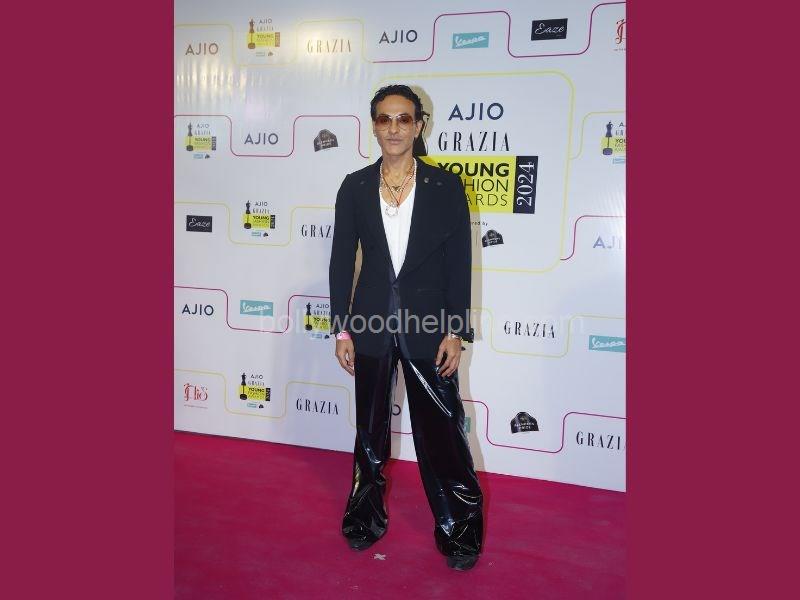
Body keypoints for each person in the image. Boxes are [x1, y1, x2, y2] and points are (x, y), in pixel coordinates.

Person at [328, 84, 484, 571]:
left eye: (403, 119)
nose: (393, 128)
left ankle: (459, 531)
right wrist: (342, 329)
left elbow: (459, 263)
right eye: (384, 119)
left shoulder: (445, 187)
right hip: (370, 324)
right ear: (374, 127)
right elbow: (341, 261)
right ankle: (364, 519)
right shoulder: (354, 186)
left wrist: (455, 329)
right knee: (369, 432)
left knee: (442, 434)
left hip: (429, 326)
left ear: (419, 126)